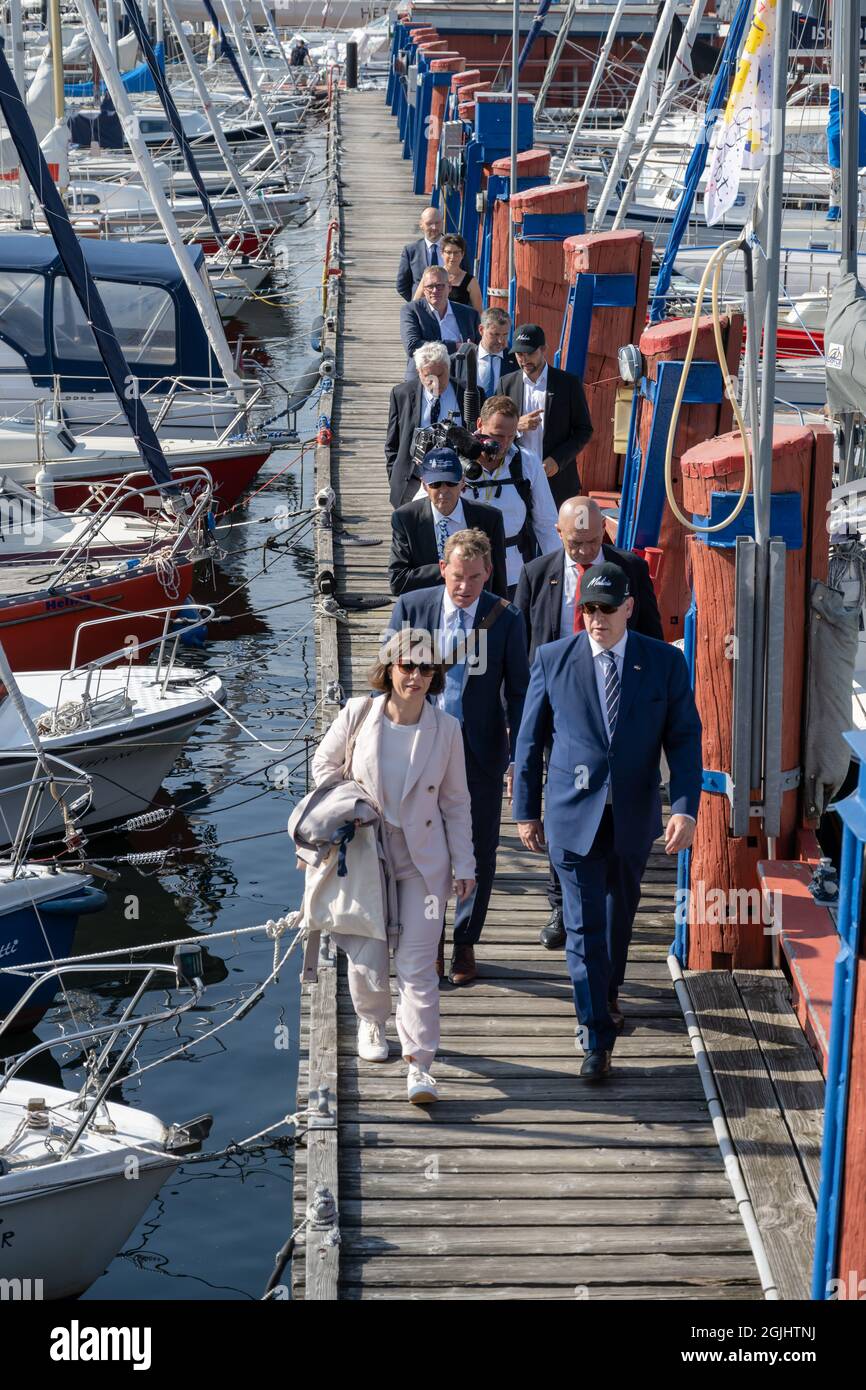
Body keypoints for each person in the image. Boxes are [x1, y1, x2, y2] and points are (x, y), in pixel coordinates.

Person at [513, 561, 702, 1081]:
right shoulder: (553, 659)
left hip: (635, 816)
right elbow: (529, 742)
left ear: (628, 609)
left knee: (619, 919)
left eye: (605, 609)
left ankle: (608, 989)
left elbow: (684, 738)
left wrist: (685, 807)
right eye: (588, 609)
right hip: (572, 817)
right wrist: (526, 811)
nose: (596, 619)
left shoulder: (663, 663)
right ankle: (595, 1034)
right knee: (582, 927)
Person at [311, 628, 476, 1105]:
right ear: (389, 669)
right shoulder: (358, 714)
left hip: (423, 863)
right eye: (408, 666)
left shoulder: (446, 730)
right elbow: (324, 767)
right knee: (367, 958)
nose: (417, 676)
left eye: (427, 668)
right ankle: (371, 1020)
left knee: (418, 967)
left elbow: (456, 802)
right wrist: (353, 803)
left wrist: (465, 863)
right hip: (365, 852)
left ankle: (420, 1064)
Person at [514, 496, 665, 950]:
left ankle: (606, 890)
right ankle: (561, 904)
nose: (584, 551)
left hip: (613, 700)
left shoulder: (630, 570)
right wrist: (520, 718)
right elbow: (521, 649)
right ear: (559, 534)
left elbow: (653, 638)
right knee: (560, 799)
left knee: (605, 800)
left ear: (605, 534)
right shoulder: (536, 574)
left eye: (593, 541)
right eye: (575, 543)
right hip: (558, 703)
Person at [388, 530, 530, 985]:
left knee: (480, 850)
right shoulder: (413, 609)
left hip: (480, 751)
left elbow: (520, 693)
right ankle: (429, 939)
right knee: (421, 848)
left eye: (473, 577)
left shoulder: (506, 619)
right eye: (456, 576)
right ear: (442, 569)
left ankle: (466, 941)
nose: (464, 586)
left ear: (488, 573)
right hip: (419, 747)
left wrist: (518, 761)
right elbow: (385, 679)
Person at [462, 395, 560, 597]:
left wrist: (558, 571)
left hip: (514, 572)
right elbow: (425, 507)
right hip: (464, 569)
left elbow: (546, 522)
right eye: (497, 436)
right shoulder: (456, 459)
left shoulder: (527, 462)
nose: (504, 444)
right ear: (480, 424)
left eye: (511, 436)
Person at [389, 447, 508, 597]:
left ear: (462, 482)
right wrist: (451, 569)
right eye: (435, 484)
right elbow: (398, 581)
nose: (443, 490)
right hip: (426, 609)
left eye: (450, 483)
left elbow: (498, 581)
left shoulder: (490, 518)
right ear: (424, 485)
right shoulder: (406, 519)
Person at [500, 323, 593, 508]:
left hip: (558, 482)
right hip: (516, 479)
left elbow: (584, 430)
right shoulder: (506, 384)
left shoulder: (568, 384)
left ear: (543, 350)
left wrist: (557, 460)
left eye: (529, 353)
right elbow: (494, 427)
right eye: (519, 354)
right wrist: (517, 425)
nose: (524, 359)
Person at [385, 342, 470, 508]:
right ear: (418, 372)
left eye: (440, 375)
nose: (435, 383)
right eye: (428, 377)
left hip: (455, 485)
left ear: (449, 368)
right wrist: (396, 476)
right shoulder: (401, 394)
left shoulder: (468, 392)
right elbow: (392, 444)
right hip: (413, 484)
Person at [400, 266, 480, 379]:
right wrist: (457, 346)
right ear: (423, 289)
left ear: (449, 287)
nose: (434, 290)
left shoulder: (469, 314)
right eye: (429, 286)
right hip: (423, 376)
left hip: (461, 377)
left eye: (439, 286)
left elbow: (480, 347)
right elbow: (412, 346)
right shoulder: (412, 311)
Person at [450, 307, 518, 397]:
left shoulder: (515, 361)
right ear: (481, 330)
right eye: (495, 334)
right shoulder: (460, 359)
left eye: (505, 335)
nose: (501, 341)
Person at [413, 232, 481, 312]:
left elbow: (478, 312)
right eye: (448, 252)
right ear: (442, 253)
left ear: (462, 254)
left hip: (459, 323)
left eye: (456, 252)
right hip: (432, 322)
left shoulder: (471, 281)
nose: (452, 257)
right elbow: (415, 304)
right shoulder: (430, 275)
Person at [397, 207, 446, 302]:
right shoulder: (411, 250)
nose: (434, 227)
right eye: (429, 223)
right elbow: (402, 285)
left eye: (437, 223)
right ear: (421, 225)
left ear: (442, 222)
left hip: (449, 307)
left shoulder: (455, 248)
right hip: (421, 308)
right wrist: (416, 301)